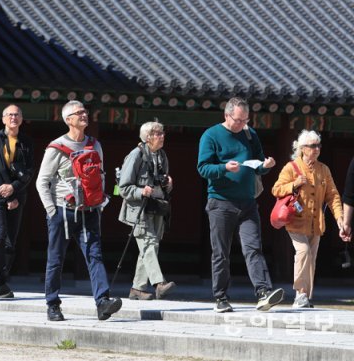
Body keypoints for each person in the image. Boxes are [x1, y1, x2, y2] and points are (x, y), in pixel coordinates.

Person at [36, 100, 122, 322]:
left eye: (85, 111)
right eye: (79, 112)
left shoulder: (95, 145)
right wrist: (51, 210)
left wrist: (101, 201)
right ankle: (52, 304)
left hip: (90, 211)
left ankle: (102, 302)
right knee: (56, 258)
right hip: (62, 211)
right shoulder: (56, 147)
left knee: (95, 255)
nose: (84, 115)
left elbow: (101, 176)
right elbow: (42, 181)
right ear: (68, 120)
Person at [197, 97, 284, 313]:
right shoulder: (211, 135)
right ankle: (221, 297)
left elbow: (258, 164)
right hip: (220, 202)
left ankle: (263, 293)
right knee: (221, 252)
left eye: (246, 119)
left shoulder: (249, 133)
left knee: (253, 248)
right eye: (238, 120)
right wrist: (224, 168)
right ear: (226, 116)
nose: (242, 124)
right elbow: (203, 168)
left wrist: (266, 166)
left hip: (247, 202)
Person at [272, 130, 344, 308]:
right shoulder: (291, 167)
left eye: (318, 145)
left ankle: (304, 295)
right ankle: (299, 294)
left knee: (311, 257)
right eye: (313, 146)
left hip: (316, 223)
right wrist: (293, 185)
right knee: (303, 252)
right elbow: (276, 189)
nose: (317, 149)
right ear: (303, 148)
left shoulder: (323, 169)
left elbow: (333, 196)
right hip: (295, 221)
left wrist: (340, 218)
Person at [118, 121, 176, 300]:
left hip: (157, 206)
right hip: (139, 209)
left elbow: (161, 180)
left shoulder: (161, 155)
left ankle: (137, 288)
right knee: (149, 243)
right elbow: (123, 188)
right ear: (148, 137)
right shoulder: (136, 155)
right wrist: (141, 190)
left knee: (151, 246)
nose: (162, 136)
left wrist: (168, 184)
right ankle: (159, 283)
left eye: (162, 132)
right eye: (158, 133)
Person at [0, 104, 34, 298]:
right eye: (10, 115)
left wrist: (14, 190)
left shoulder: (27, 142)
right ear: (3, 119)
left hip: (17, 192)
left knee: (10, 240)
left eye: (17, 115)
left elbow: (29, 172)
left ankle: (3, 280)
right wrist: (7, 194)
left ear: (21, 119)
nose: (13, 118)